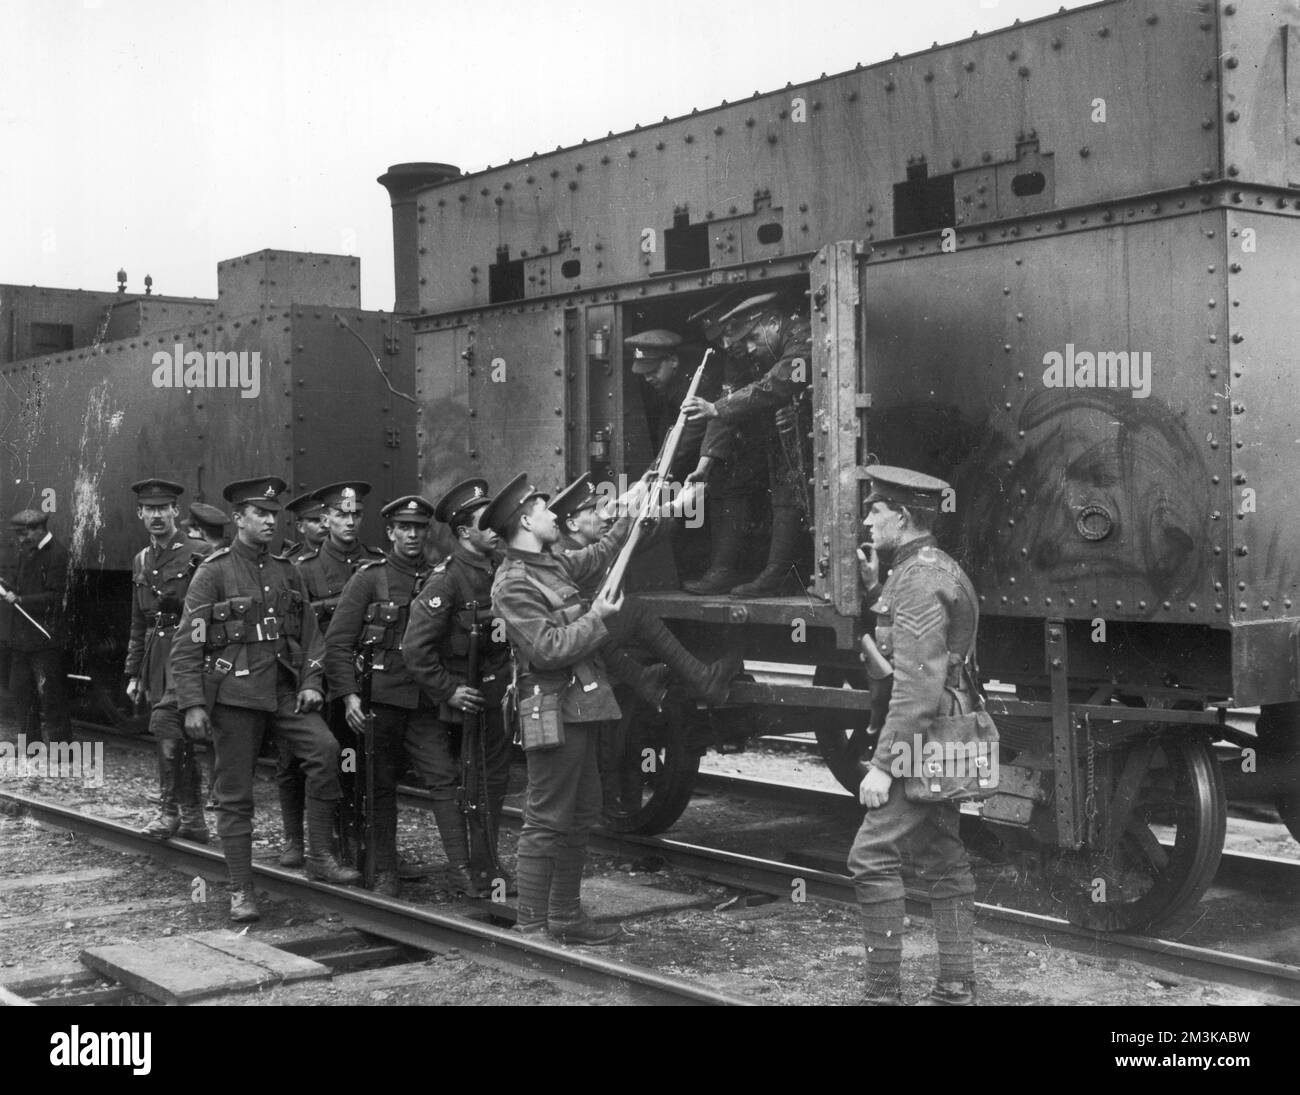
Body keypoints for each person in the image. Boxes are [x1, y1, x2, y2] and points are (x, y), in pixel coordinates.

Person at [170, 476, 360, 923]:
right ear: (239, 519)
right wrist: (192, 704)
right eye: (262, 514)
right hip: (234, 697)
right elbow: (187, 644)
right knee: (235, 796)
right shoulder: (212, 572)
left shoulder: (285, 570)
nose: (272, 521)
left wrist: (313, 682)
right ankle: (240, 889)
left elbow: (311, 635)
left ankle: (319, 858)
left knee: (326, 750)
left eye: (275, 514)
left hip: (282, 691)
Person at [487, 472, 647, 944]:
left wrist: (632, 507)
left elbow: (599, 554)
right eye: (544, 509)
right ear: (524, 520)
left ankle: (565, 917)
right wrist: (596, 618)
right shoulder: (512, 584)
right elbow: (549, 650)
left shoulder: (548, 561)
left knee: (581, 812)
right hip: (553, 706)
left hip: (582, 702)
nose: (555, 514)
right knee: (547, 818)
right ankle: (532, 926)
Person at [849, 465, 979, 1006]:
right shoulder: (928, 568)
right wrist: (877, 585)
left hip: (922, 737)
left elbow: (917, 684)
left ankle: (882, 995)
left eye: (875, 511)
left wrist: (884, 765)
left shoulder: (921, 580)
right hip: (946, 730)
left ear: (901, 517)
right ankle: (955, 986)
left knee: (871, 856)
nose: (865, 520)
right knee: (943, 854)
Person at [402, 479, 514, 896]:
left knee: (495, 781)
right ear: (464, 532)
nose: (494, 529)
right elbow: (415, 649)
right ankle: (480, 869)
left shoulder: (500, 567)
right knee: (477, 783)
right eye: (485, 523)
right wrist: (448, 690)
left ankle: (486, 864)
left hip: (501, 693)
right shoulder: (447, 581)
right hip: (470, 700)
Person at [324, 493, 439, 898]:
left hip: (427, 701)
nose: (412, 534)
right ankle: (384, 869)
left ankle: (467, 867)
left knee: (444, 779)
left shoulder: (440, 575)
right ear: (390, 533)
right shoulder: (369, 579)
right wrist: (349, 697)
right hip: (381, 701)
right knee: (379, 786)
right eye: (404, 528)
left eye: (419, 528)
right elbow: (337, 645)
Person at [549, 472, 739, 708]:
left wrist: (656, 498)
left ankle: (645, 679)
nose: (604, 517)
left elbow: (635, 536)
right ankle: (699, 678)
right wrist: (676, 505)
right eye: (594, 512)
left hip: (585, 636)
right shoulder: (572, 557)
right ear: (572, 524)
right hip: (576, 639)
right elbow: (615, 542)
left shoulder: (578, 546)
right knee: (633, 610)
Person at [684, 291, 813, 597]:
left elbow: (780, 382)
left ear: (771, 322)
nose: (749, 347)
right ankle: (774, 575)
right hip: (789, 435)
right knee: (784, 493)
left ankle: (779, 575)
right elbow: (728, 401)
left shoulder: (802, 337)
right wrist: (705, 463)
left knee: (790, 493)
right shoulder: (765, 350)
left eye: (753, 337)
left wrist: (719, 408)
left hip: (812, 437)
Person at [293, 480, 382, 868]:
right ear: (325, 518)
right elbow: (300, 631)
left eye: (356, 515)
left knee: (370, 763)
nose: (349, 522)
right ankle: (330, 841)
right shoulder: (305, 570)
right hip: (328, 681)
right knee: (335, 759)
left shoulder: (377, 563)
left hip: (370, 677)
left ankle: (366, 843)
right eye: (341, 515)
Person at [125, 479, 208, 843]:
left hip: (189, 654)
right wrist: (133, 672)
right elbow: (138, 622)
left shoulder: (200, 552)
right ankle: (193, 819)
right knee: (177, 736)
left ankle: (169, 812)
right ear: (140, 513)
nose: (157, 515)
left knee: (166, 729)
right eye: (150, 509)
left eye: (164, 508)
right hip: (157, 658)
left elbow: (212, 614)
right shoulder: (141, 559)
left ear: (176, 511)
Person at [677, 295, 768, 594]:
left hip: (763, 435)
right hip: (745, 434)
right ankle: (722, 569)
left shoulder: (756, 354)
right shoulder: (731, 361)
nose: (727, 345)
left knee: (733, 491)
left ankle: (725, 570)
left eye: (730, 335)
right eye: (720, 339)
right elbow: (719, 410)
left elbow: (723, 410)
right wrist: (706, 463)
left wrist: (706, 462)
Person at [4, 510, 72, 743]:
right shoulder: (28, 551)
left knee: (51, 698)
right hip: (22, 640)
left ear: (38, 529)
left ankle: (63, 752)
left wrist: (21, 600)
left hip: (44, 639)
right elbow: (22, 586)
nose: (20, 540)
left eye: (24, 534)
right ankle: (31, 747)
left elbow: (55, 596)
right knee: (22, 694)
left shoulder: (58, 554)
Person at [280, 491, 329, 564]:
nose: (324, 525)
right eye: (316, 520)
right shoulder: (292, 561)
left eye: (326, 519)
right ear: (300, 527)